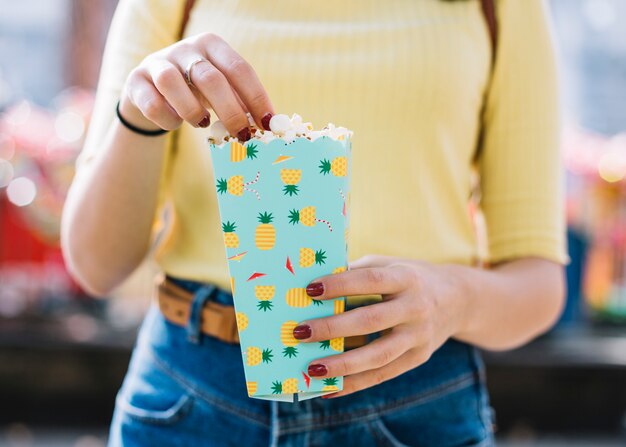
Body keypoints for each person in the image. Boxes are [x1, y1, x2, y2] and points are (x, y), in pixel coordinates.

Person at [61, 0, 566, 445]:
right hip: (195, 396)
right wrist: (139, 113)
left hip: (416, 400)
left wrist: (454, 299)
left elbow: (538, 282)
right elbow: (96, 265)